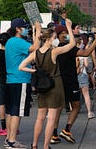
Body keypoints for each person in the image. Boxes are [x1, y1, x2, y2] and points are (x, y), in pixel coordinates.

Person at [19, 19, 75, 149]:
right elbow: (72, 44)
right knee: (51, 118)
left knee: (40, 117)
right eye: (54, 37)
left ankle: (34, 144)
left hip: (42, 86)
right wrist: (69, 27)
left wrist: (35, 71)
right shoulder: (54, 51)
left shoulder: (36, 53)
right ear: (49, 39)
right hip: (55, 85)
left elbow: (21, 67)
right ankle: (45, 145)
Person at [50, 25, 96, 144]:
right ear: (58, 35)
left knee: (58, 109)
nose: (67, 34)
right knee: (76, 106)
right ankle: (66, 130)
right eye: (63, 32)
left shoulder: (57, 48)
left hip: (59, 82)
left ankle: (54, 134)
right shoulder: (69, 48)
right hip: (70, 82)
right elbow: (86, 53)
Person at [5, 18, 41, 149]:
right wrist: (38, 30)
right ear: (18, 29)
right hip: (20, 79)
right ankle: (12, 141)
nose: (26, 29)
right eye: (24, 27)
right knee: (17, 112)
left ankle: (9, 138)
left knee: (10, 111)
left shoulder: (10, 42)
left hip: (11, 79)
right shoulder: (18, 42)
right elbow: (35, 48)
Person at [0, 33, 10, 136]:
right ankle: (11, 126)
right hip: (10, 79)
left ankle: (3, 127)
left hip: (0, 79)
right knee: (10, 104)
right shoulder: (10, 54)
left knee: (1, 104)